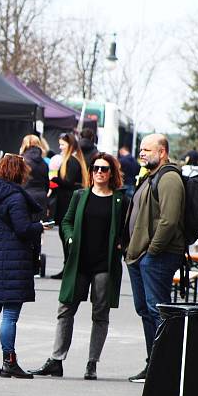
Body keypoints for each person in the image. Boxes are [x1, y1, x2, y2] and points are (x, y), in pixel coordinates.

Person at [29, 153, 128, 380]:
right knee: (65, 309)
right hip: (79, 263)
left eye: (104, 169)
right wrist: (71, 238)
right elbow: (66, 221)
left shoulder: (120, 201)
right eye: (95, 168)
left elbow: (126, 229)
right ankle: (56, 360)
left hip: (104, 264)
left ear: (111, 172)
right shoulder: (80, 195)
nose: (99, 172)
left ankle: (92, 363)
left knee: (100, 314)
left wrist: (122, 245)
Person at [124, 133, 185, 383]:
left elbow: (169, 220)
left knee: (157, 310)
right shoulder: (150, 176)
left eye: (147, 149)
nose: (142, 153)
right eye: (141, 149)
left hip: (157, 255)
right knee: (145, 310)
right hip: (140, 255)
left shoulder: (169, 178)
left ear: (162, 152)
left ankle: (164, 367)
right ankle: (153, 363)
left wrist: (152, 251)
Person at [0, 154, 43, 379]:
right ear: (19, 172)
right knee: (10, 315)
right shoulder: (15, 197)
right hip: (14, 260)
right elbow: (23, 228)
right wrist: (39, 226)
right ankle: (9, 361)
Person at [49, 132, 89, 279]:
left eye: (62, 144)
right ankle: (68, 266)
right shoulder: (73, 160)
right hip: (66, 200)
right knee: (65, 234)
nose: (60, 147)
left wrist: (55, 179)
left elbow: (69, 182)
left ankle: (69, 266)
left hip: (67, 202)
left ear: (70, 145)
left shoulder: (71, 161)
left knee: (66, 234)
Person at [20, 134, 50, 220]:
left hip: (25, 196)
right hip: (41, 197)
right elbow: (46, 184)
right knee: (37, 228)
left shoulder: (22, 160)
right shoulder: (44, 163)